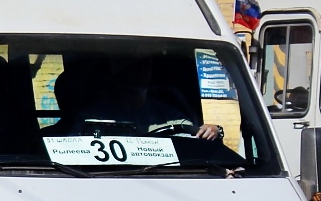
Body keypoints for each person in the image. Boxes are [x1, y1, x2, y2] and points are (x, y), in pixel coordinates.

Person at [78, 57, 222, 140]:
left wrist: (213, 130)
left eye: (145, 64)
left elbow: (192, 135)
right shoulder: (93, 115)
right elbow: (70, 147)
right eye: (132, 64)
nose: (140, 70)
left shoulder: (166, 116)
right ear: (116, 70)